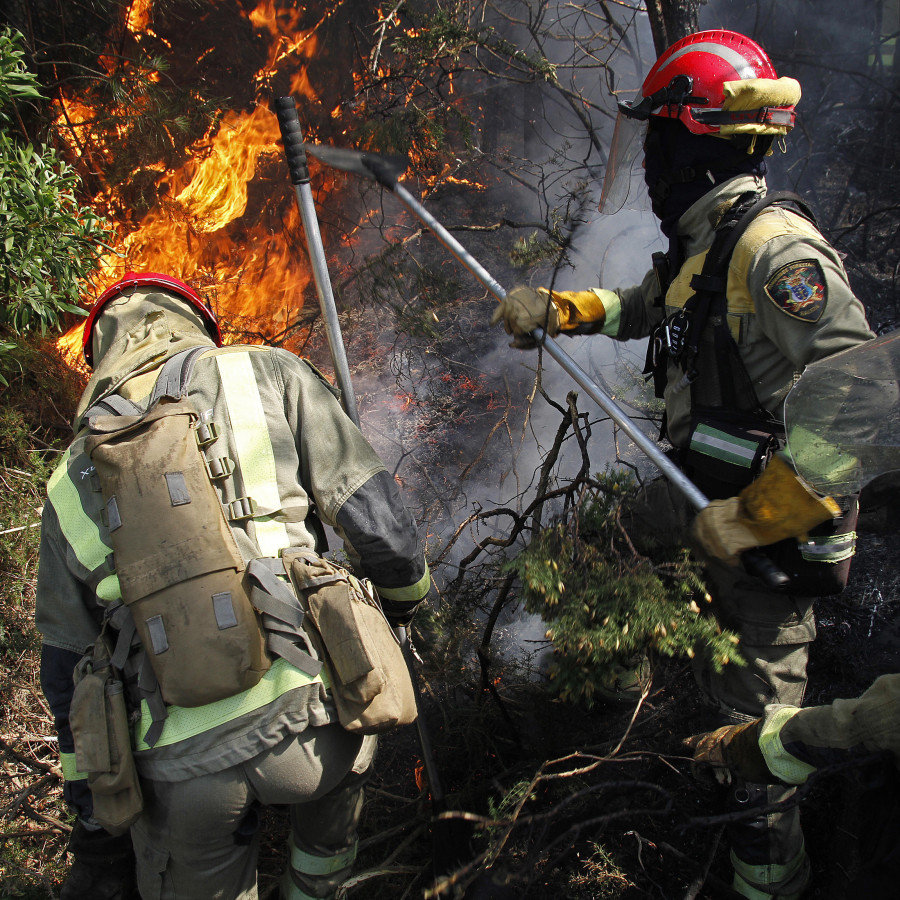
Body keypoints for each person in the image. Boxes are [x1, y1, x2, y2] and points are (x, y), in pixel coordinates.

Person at [491, 30, 875, 900]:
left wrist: (757, 517)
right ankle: (619, 740)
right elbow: (658, 308)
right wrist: (568, 309)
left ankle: (766, 885)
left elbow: (866, 407)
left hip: (773, 546)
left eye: (661, 137)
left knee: (757, 753)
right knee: (595, 556)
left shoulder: (776, 252)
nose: (653, 160)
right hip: (705, 499)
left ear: (697, 138)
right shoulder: (713, 241)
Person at [36, 272, 431, 900]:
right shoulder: (263, 372)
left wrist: (93, 828)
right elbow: (381, 525)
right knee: (325, 856)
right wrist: (406, 615)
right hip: (322, 721)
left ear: (100, 354)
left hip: (181, 773)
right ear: (196, 322)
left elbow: (65, 673)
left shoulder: (64, 482)